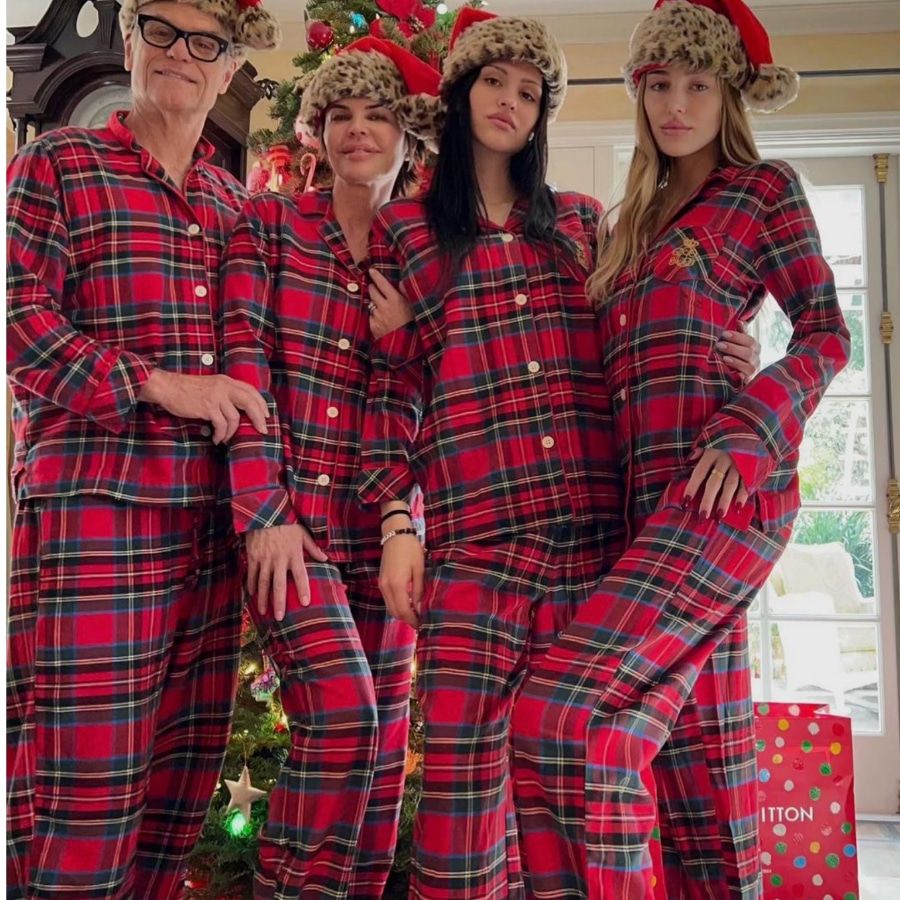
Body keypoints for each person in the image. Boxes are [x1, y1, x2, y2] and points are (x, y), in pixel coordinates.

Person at [356, 9, 759, 899]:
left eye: (529, 92)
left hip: (592, 551)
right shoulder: (408, 234)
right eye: (493, 83)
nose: (509, 103)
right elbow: (394, 400)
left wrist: (738, 356)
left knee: (580, 807)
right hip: (476, 553)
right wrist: (397, 522)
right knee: (461, 813)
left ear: (544, 116)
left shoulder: (581, 225)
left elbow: (644, 335)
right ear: (461, 97)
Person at [509, 2, 852, 898]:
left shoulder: (762, 191)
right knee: (683, 753)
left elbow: (825, 332)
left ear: (728, 92)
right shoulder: (627, 224)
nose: (676, 103)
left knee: (554, 710)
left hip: (720, 497)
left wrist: (753, 416)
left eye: (697, 84)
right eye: (659, 83)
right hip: (641, 510)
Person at [5, 2, 281, 898]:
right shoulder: (57, 164)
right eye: (161, 29)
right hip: (98, 518)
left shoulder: (236, 205)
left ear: (231, 65)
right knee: (82, 802)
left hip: (210, 535)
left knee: (175, 799)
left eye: (206, 42)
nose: (180, 55)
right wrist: (161, 385)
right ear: (129, 38)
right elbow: (17, 323)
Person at [218, 37, 440, 900]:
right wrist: (263, 512)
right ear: (315, 132)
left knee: (384, 746)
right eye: (339, 115)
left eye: (377, 115)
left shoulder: (422, 257)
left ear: (406, 137)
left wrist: (406, 339)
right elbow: (244, 370)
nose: (357, 131)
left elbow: (433, 398)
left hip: (385, 537)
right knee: (344, 714)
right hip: (289, 529)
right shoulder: (267, 227)